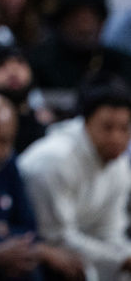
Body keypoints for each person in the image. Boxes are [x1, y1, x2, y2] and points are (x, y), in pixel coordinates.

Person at [0, 93, 84, 281]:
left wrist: (10, 237)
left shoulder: (9, 164)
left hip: (1, 254)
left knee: (31, 265)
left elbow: (28, 226)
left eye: (2, 142)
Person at [18, 75, 131, 281]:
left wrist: (124, 257)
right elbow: (57, 238)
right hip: (34, 248)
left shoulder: (120, 163)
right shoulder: (54, 161)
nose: (117, 138)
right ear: (86, 123)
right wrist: (121, 258)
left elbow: (110, 230)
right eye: (107, 127)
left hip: (77, 245)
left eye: (124, 129)